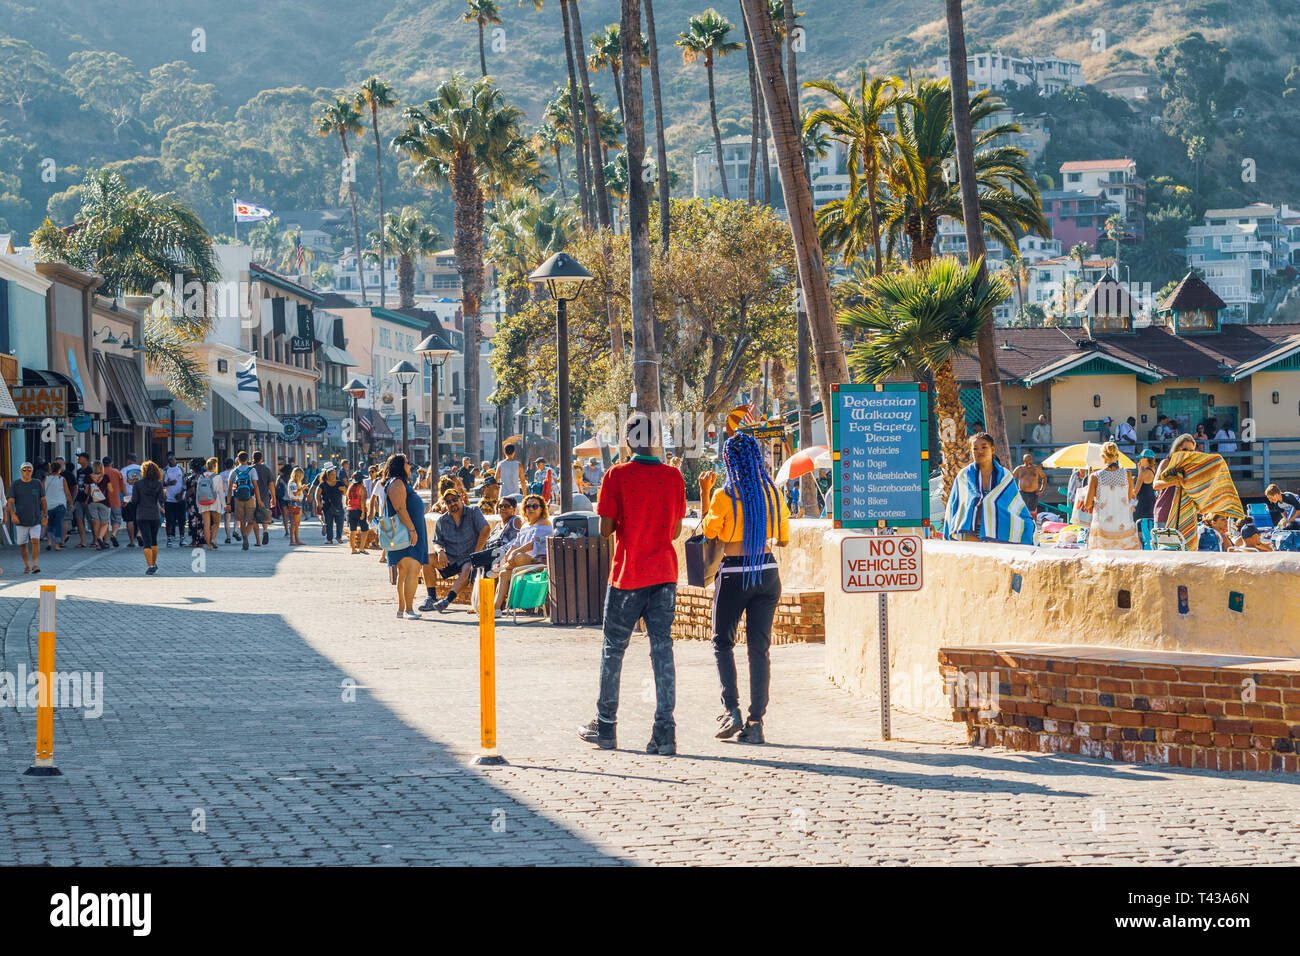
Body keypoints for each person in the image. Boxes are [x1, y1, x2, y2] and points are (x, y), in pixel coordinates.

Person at [578, 413, 686, 756]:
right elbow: (675, 531)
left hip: (628, 575)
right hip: (664, 575)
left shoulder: (616, 476)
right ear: (655, 441)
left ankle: (606, 726)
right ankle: (664, 732)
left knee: (613, 650)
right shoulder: (673, 477)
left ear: (627, 441)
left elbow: (605, 529)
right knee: (662, 651)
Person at [699, 431, 790, 745]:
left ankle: (731, 710)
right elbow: (783, 535)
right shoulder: (774, 494)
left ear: (729, 460)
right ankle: (756, 722)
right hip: (767, 571)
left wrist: (705, 492)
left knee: (722, 642)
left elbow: (711, 532)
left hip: (735, 573)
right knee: (759, 649)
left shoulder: (724, 495)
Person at [942, 433, 1035, 545]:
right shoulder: (964, 476)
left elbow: (1013, 505)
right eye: (975, 449)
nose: (980, 451)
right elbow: (957, 506)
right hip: (969, 532)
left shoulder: (1005, 476)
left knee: (1028, 527)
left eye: (984, 447)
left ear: (992, 449)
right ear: (971, 453)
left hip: (998, 532)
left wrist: (987, 502)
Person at [424, 488, 490, 613]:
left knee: (468, 566)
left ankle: (447, 600)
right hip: (451, 558)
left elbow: (485, 530)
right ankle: (431, 597)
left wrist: (476, 553)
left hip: (469, 558)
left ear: (461, 499)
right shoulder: (442, 520)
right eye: (448, 502)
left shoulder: (473, 511)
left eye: (455, 500)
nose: (452, 503)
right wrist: (440, 552)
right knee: (427, 559)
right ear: (445, 504)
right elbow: (437, 542)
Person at [379, 454, 428, 620]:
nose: (409, 465)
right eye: (407, 463)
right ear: (400, 466)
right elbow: (400, 508)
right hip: (405, 534)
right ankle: (409, 609)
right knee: (413, 570)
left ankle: (402, 609)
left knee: (404, 572)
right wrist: (413, 530)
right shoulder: (397, 483)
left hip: (406, 533)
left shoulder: (397, 483)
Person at [493, 494, 554, 613]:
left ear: (541, 508)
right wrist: (507, 557)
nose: (530, 508)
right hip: (522, 565)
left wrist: (514, 553)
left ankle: (497, 569)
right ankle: (495, 609)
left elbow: (533, 543)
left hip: (539, 563)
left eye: (535, 506)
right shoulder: (525, 525)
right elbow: (516, 544)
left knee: (519, 557)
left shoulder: (544, 523)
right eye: (528, 506)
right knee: (504, 574)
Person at [1084, 441, 1141, 550]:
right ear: (1117, 456)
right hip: (1124, 527)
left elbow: (1087, 504)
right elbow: (1128, 500)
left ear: (1102, 456)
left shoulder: (1095, 477)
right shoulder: (1127, 474)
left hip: (1103, 528)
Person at [1153, 433, 1198, 528]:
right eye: (1184, 449)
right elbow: (1155, 485)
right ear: (1177, 448)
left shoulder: (1192, 467)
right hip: (1165, 513)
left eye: (1191, 450)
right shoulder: (1166, 463)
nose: (1187, 453)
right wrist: (1173, 482)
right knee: (1164, 543)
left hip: (1185, 516)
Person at [8, 462, 44, 573]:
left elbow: (43, 500)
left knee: (35, 540)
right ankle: (27, 565)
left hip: (35, 518)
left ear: (32, 471)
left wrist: (46, 515)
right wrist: (12, 514)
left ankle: (35, 564)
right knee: (22, 544)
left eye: (29, 470)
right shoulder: (16, 484)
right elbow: (10, 500)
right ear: (21, 471)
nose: (27, 472)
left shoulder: (37, 483)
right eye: (24, 470)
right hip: (21, 520)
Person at [133, 460, 167, 574]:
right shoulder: (158, 484)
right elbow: (162, 500)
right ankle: (153, 563)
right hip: (154, 515)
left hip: (142, 514)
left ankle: (151, 565)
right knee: (154, 540)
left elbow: (135, 501)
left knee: (146, 540)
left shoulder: (137, 484)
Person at [227, 451, 263, 551]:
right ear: (247, 459)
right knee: (252, 520)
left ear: (238, 460)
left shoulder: (234, 471)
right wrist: (259, 500)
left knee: (242, 520)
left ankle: (244, 538)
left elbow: (229, 489)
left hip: (238, 499)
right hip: (250, 498)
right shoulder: (252, 470)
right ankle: (245, 536)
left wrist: (228, 503)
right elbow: (255, 486)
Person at [196, 457, 225, 551]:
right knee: (216, 523)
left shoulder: (201, 476)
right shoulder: (217, 477)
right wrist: (224, 505)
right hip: (215, 502)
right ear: (215, 466)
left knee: (206, 525)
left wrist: (198, 503)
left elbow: (198, 491)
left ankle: (208, 545)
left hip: (203, 502)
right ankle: (213, 539)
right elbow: (220, 492)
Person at [42, 460, 72, 552]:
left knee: (50, 524)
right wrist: (71, 503)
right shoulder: (61, 479)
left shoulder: (45, 479)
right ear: (59, 470)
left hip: (48, 506)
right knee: (58, 525)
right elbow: (67, 493)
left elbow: (42, 492)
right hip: (59, 506)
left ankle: (49, 543)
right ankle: (58, 545)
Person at [315, 466, 346, 545]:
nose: (334, 476)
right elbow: (317, 494)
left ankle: (339, 537)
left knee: (340, 523)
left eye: (334, 474)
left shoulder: (339, 483)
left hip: (339, 506)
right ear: (327, 476)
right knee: (329, 524)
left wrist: (344, 490)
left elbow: (345, 493)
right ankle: (329, 539)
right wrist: (318, 503)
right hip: (327, 507)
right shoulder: (323, 484)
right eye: (332, 474)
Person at [162, 451, 186, 547]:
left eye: (173, 457)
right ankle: (169, 539)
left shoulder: (181, 469)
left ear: (175, 458)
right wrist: (168, 483)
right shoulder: (165, 470)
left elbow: (185, 483)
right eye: (169, 458)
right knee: (169, 520)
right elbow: (161, 484)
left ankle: (182, 538)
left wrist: (181, 494)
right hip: (169, 499)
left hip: (180, 499)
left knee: (182, 520)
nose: (171, 459)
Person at [87, 460, 113, 550]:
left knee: (96, 523)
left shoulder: (89, 477)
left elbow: (86, 491)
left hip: (92, 502)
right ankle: (100, 538)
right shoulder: (106, 477)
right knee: (105, 522)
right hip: (104, 502)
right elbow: (111, 490)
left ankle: (98, 543)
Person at [69, 450, 92, 548]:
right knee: (79, 520)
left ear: (85, 459)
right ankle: (83, 541)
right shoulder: (79, 471)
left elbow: (91, 485)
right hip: (79, 498)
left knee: (91, 520)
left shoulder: (90, 470)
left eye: (80, 457)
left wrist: (88, 498)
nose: (78, 459)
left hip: (88, 499)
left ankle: (95, 540)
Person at [252, 450, 275, 546]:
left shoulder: (250, 469)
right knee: (264, 516)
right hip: (264, 495)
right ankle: (265, 531)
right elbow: (271, 484)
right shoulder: (266, 469)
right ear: (261, 459)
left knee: (253, 518)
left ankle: (258, 541)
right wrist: (273, 497)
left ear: (253, 458)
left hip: (252, 496)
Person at [101, 455, 125, 546]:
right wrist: (125, 498)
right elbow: (123, 487)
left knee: (104, 521)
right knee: (116, 519)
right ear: (111, 463)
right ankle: (114, 534)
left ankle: (106, 541)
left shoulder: (100, 472)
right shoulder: (117, 472)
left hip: (103, 500)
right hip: (115, 500)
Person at [121, 453, 142, 548]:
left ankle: (132, 541)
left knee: (129, 520)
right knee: (141, 518)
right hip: (141, 497)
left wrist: (123, 498)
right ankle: (139, 534)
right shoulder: (142, 469)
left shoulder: (124, 470)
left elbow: (121, 485)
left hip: (128, 497)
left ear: (128, 460)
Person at [346, 473, 370, 553]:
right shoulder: (362, 488)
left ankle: (353, 549)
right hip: (359, 509)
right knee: (365, 529)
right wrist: (363, 512)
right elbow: (362, 500)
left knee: (352, 530)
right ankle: (361, 548)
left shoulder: (350, 487)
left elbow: (346, 500)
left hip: (350, 509)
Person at [1132, 449, 1157, 523]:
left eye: (1142, 458)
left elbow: (1135, 492)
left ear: (1147, 459)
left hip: (1142, 505)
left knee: (1139, 530)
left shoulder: (1144, 472)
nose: (1140, 460)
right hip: (1151, 503)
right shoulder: (1154, 470)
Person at [219, 457, 238, 543]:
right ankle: (235, 531)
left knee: (227, 518)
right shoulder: (236, 473)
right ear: (233, 465)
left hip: (226, 497)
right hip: (235, 496)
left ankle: (228, 537)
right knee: (237, 517)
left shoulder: (221, 475)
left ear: (225, 465)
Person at [285, 467, 305, 545]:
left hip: (298, 503)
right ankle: (292, 541)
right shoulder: (292, 483)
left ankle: (296, 540)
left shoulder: (296, 483)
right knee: (294, 523)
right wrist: (302, 489)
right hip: (294, 503)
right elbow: (295, 493)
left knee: (297, 523)